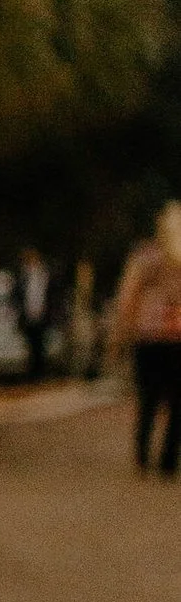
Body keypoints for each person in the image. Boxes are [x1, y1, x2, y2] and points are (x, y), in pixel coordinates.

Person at [110, 200, 181, 477]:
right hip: (176, 337)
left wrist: (123, 331)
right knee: (177, 401)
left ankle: (142, 455)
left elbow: (129, 296)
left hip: (149, 336)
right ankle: (168, 459)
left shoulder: (145, 256)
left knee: (148, 397)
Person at [13, 244, 57, 385]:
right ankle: (33, 374)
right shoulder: (22, 276)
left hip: (43, 315)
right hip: (28, 315)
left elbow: (52, 295)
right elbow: (18, 295)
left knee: (41, 345)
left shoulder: (46, 274)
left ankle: (40, 373)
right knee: (31, 345)